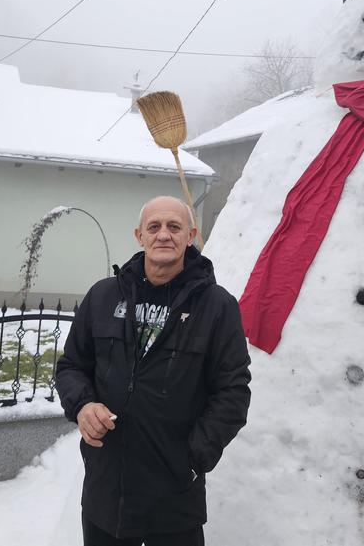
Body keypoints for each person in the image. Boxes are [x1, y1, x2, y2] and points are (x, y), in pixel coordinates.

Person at [56, 195, 251, 546]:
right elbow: (72, 366)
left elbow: (233, 392)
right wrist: (82, 405)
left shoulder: (217, 306)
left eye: (174, 227)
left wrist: (192, 459)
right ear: (139, 235)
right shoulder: (103, 297)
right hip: (106, 491)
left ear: (190, 235)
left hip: (174, 496)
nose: (164, 235)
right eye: (154, 227)